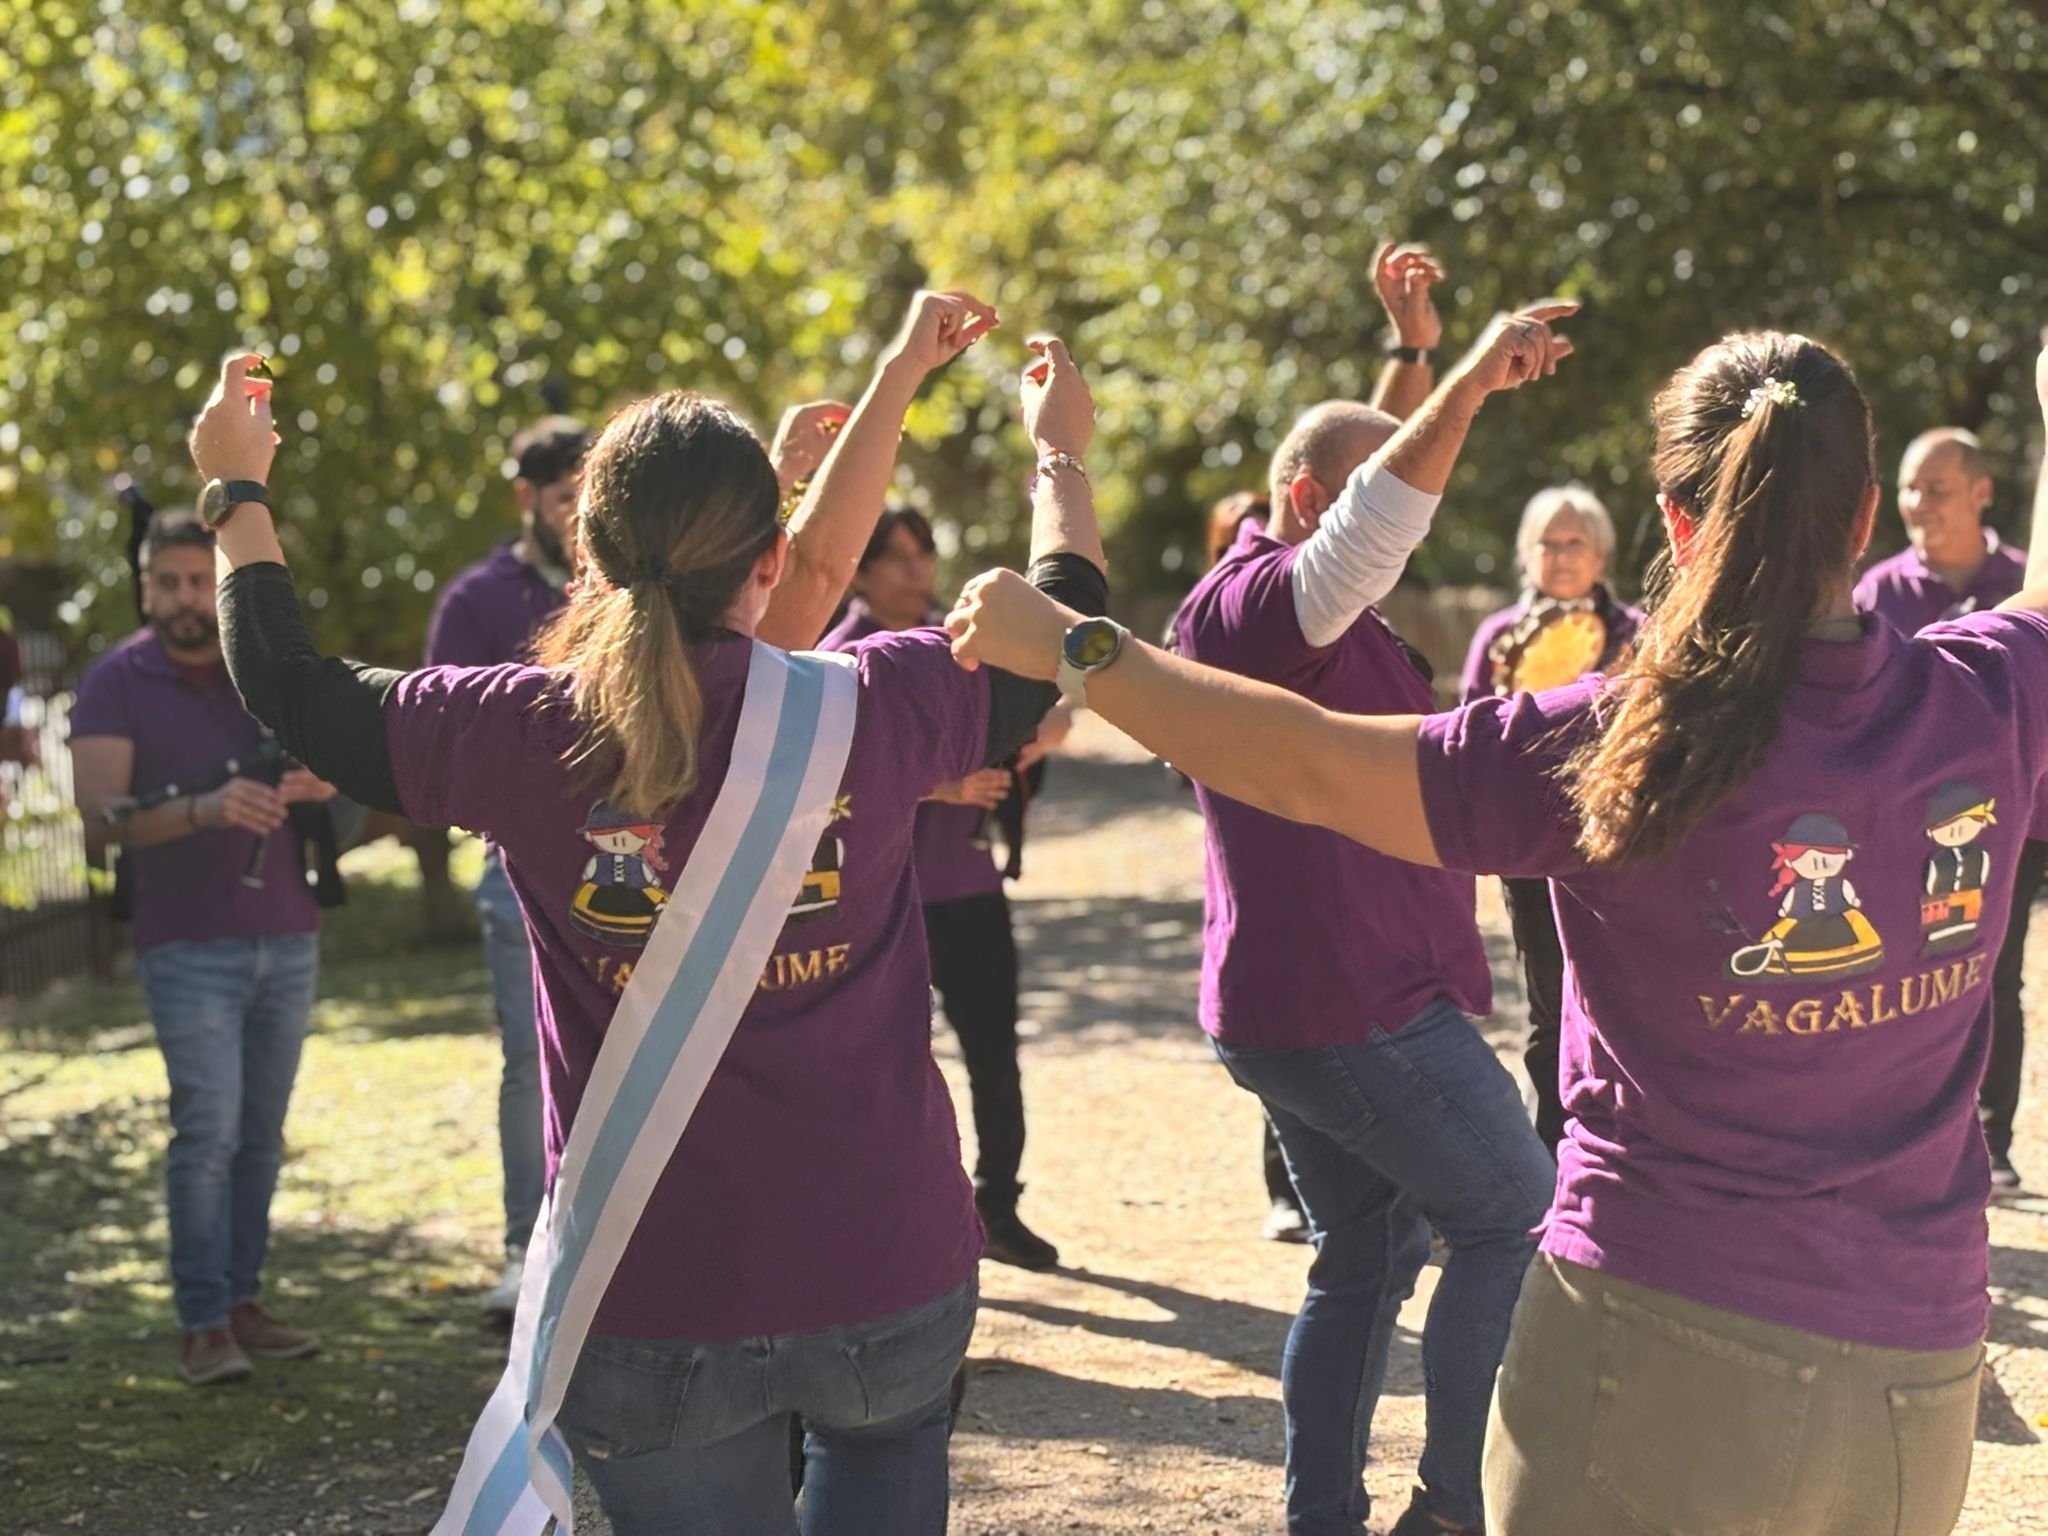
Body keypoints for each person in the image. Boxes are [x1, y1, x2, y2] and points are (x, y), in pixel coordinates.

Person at [949, 323, 2048, 1536]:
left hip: (1650, 1336)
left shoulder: (1610, 742)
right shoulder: (1989, 695)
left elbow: (1304, 766)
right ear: (1863, 519)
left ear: (1675, 526)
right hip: (1918, 1375)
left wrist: (1075, 651)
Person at [189, 290, 1108, 1533]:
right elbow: (1066, 624)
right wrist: (1058, 455)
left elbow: (288, 685)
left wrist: (235, 489)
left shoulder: (513, 732)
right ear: (766, 559)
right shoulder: (878, 700)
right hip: (883, 1268)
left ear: (588, 553)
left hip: (650, 1295)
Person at [1168, 245, 1558, 1536]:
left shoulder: (1288, 595)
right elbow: (1362, 521)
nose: (1408, 516)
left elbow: (1357, 490)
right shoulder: (1251, 610)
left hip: (1319, 1001)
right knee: (1512, 1214)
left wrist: (1412, 356)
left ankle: (1321, 1517)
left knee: (1367, 1254)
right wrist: (1473, 381)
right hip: (1351, 1007)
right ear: (1303, 502)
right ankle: (1448, 1511)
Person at [69, 510, 338, 1386]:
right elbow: (98, 821)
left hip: (287, 934)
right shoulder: (115, 682)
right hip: (184, 944)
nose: (187, 599)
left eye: (199, 581)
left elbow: (356, 790)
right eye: (169, 584)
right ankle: (201, 1322)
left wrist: (323, 784)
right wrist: (203, 809)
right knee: (208, 1131)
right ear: (146, 588)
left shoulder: (262, 669)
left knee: (261, 1134)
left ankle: (242, 1300)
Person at [822, 507, 1067, 1270]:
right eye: (898, 557)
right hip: (879, 898)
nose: (918, 569)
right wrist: (941, 783)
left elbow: (1056, 711)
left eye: (925, 552)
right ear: (859, 572)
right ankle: (889, 1225)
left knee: (994, 1057)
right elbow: (826, 768)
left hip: (970, 889)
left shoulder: (962, 637)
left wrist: (1012, 749)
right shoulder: (834, 657)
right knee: (883, 1070)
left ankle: (998, 1208)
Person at [423, 414, 590, 1320]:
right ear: (527, 498)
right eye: (566, 498)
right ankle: (527, 1252)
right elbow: (448, 744)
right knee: (533, 1060)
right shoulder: (476, 601)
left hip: (626, 862)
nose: (580, 515)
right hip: (516, 869)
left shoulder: (634, 589)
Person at [1855, 427, 2042, 1190]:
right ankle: (1908, 1137)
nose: (1917, 503)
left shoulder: (2028, 581)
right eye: (1908, 488)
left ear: (1981, 493)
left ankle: (1992, 1143)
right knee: (1914, 972)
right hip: (1917, 822)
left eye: (1936, 488)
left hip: (2025, 815)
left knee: (1997, 971)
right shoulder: (1878, 591)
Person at [1459, 486, 1642, 1151]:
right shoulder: (1498, 639)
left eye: (1575, 543)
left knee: (1631, 1001)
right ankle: (1549, 1158)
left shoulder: (1638, 634)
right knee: (1548, 1007)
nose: (1561, 556)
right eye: (1547, 543)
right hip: (1530, 847)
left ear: (1601, 555)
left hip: (1621, 846)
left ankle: (1629, 1144)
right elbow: (1467, 736)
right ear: (1525, 555)